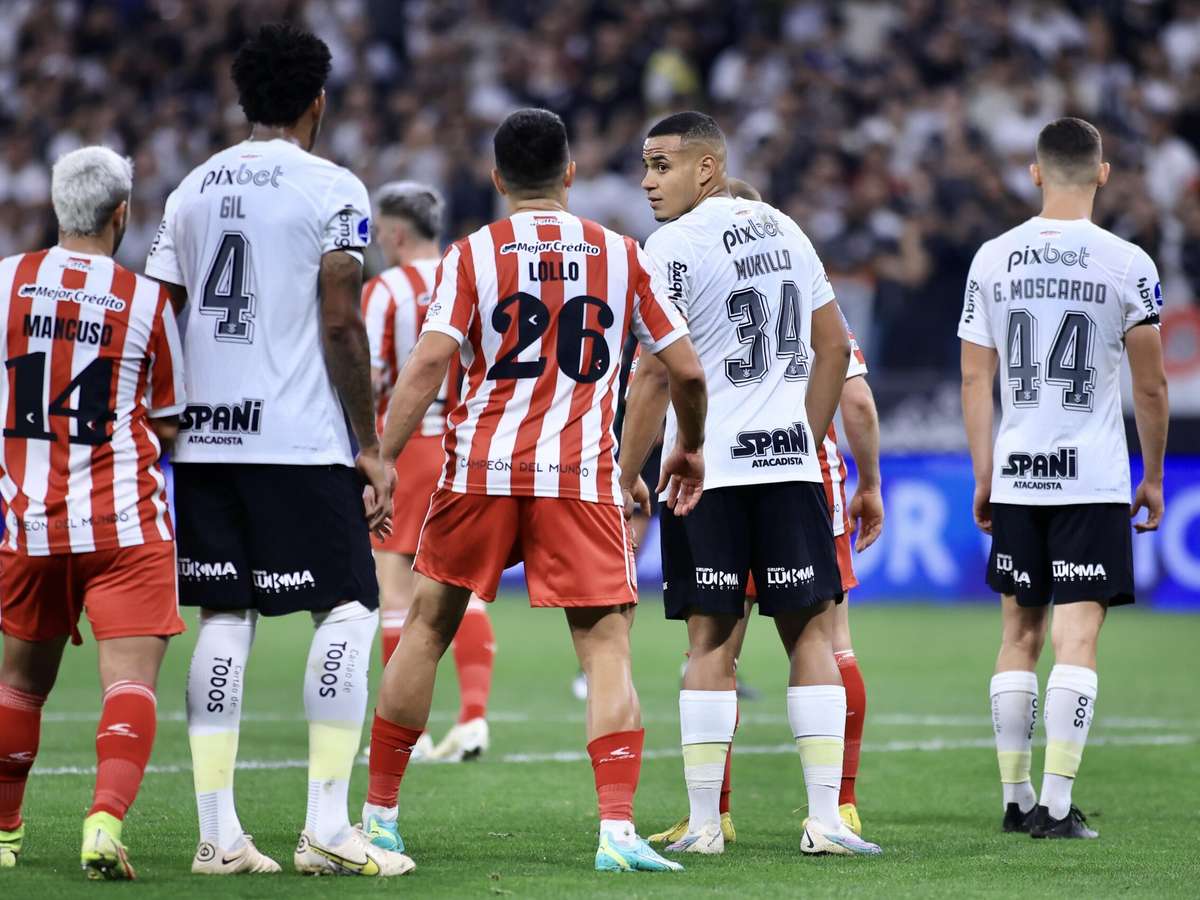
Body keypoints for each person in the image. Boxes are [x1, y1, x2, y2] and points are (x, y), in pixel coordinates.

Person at [358, 107, 708, 874]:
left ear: (496, 180)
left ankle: (379, 819)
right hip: (579, 478)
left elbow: (424, 367)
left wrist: (381, 458)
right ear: (572, 174)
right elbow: (684, 369)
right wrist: (686, 449)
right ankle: (617, 832)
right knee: (607, 642)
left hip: (478, 470)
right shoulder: (622, 255)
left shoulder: (473, 254)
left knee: (426, 627)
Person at [144, 24, 412, 876]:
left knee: (225, 619)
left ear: (243, 99)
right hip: (296, 440)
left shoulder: (190, 188)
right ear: (317, 103)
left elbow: (160, 315)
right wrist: (370, 445)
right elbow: (340, 317)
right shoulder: (332, 186)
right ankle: (328, 827)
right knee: (349, 610)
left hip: (205, 444)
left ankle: (218, 835)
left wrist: (168, 420)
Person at [620, 112, 882, 857]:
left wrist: (623, 474)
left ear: (706, 169)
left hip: (705, 476)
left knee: (710, 642)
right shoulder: (786, 231)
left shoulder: (670, 246)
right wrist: (803, 433)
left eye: (662, 165)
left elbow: (652, 372)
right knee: (812, 638)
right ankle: (826, 821)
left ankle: (706, 825)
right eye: (645, 165)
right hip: (789, 469)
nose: (647, 181)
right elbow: (834, 346)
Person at [959, 117, 1169, 839]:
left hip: (1019, 476)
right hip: (1092, 479)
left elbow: (974, 375)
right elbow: (1150, 389)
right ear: (1103, 174)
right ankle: (1054, 805)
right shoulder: (1129, 263)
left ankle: (1015, 801)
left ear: (1036, 172)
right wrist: (1155, 476)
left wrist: (985, 471)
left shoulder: (992, 258)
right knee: (1077, 639)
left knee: (1018, 634)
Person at [0, 146, 186, 880]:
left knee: (19, 685)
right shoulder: (144, 301)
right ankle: (103, 824)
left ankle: (5, 834)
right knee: (130, 683)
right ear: (121, 215)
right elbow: (168, 418)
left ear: (54, 207)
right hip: (125, 524)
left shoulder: (5, 283)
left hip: (29, 523)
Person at [362, 181, 495, 762]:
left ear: (393, 232)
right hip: (467, 443)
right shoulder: (471, 272)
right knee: (465, 587)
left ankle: (404, 736)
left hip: (409, 443)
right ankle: (472, 718)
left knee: (395, 588)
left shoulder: (385, 289)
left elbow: (370, 381)